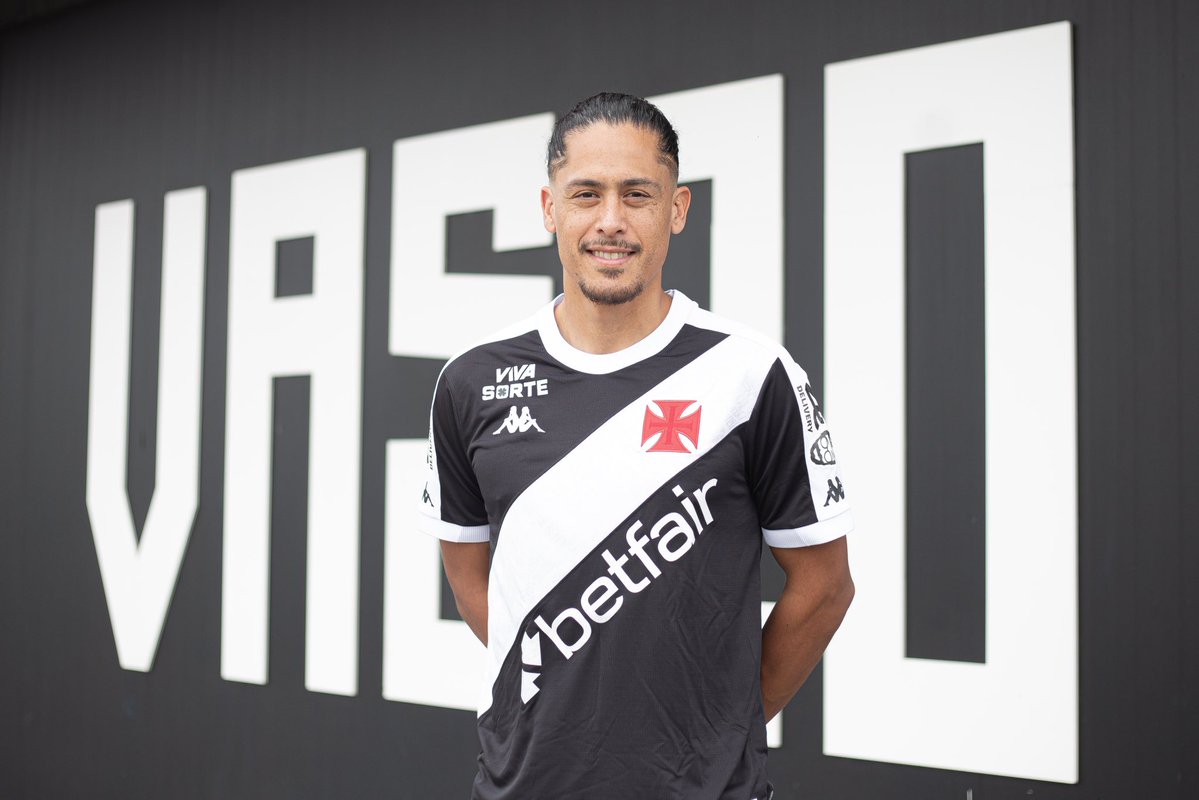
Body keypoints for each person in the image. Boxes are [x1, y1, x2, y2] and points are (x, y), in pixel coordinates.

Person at [417, 92, 855, 800]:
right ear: (548, 208)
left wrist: (719, 729)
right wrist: (556, 680)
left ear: (676, 209)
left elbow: (825, 585)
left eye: (637, 195)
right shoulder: (471, 380)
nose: (610, 221)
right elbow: (470, 574)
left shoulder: (748, 373)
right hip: (522, 785)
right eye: (585, 194)